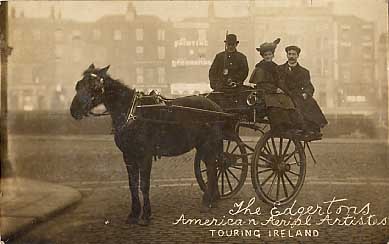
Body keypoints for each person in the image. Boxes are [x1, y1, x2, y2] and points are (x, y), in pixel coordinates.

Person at [278, 45, 328, 137]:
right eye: (289, 54)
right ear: (287, 55)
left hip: (298, 95)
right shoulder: (279, 69)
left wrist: (306, 93)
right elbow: (278, 83)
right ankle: (299, 128)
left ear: (297, 56)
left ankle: (313, 128)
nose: (291, 56)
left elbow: (308, 86)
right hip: (285, 95)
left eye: (293, 54)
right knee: (295, 104)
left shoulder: (304, 72)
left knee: (310, 102)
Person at [249, 38, 295, 132]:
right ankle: (278, 126)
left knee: (287, 99)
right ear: (263, 56)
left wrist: (285, 90)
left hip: (274, 92)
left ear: (273, 55)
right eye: (266, 55)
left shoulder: (275, 67)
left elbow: (279, 81)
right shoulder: (260, 68)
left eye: (269, 54)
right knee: (274, 103)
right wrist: (275, 90)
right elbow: (261, 84)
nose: (268, 57)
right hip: (265, 92)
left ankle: (289, 124)